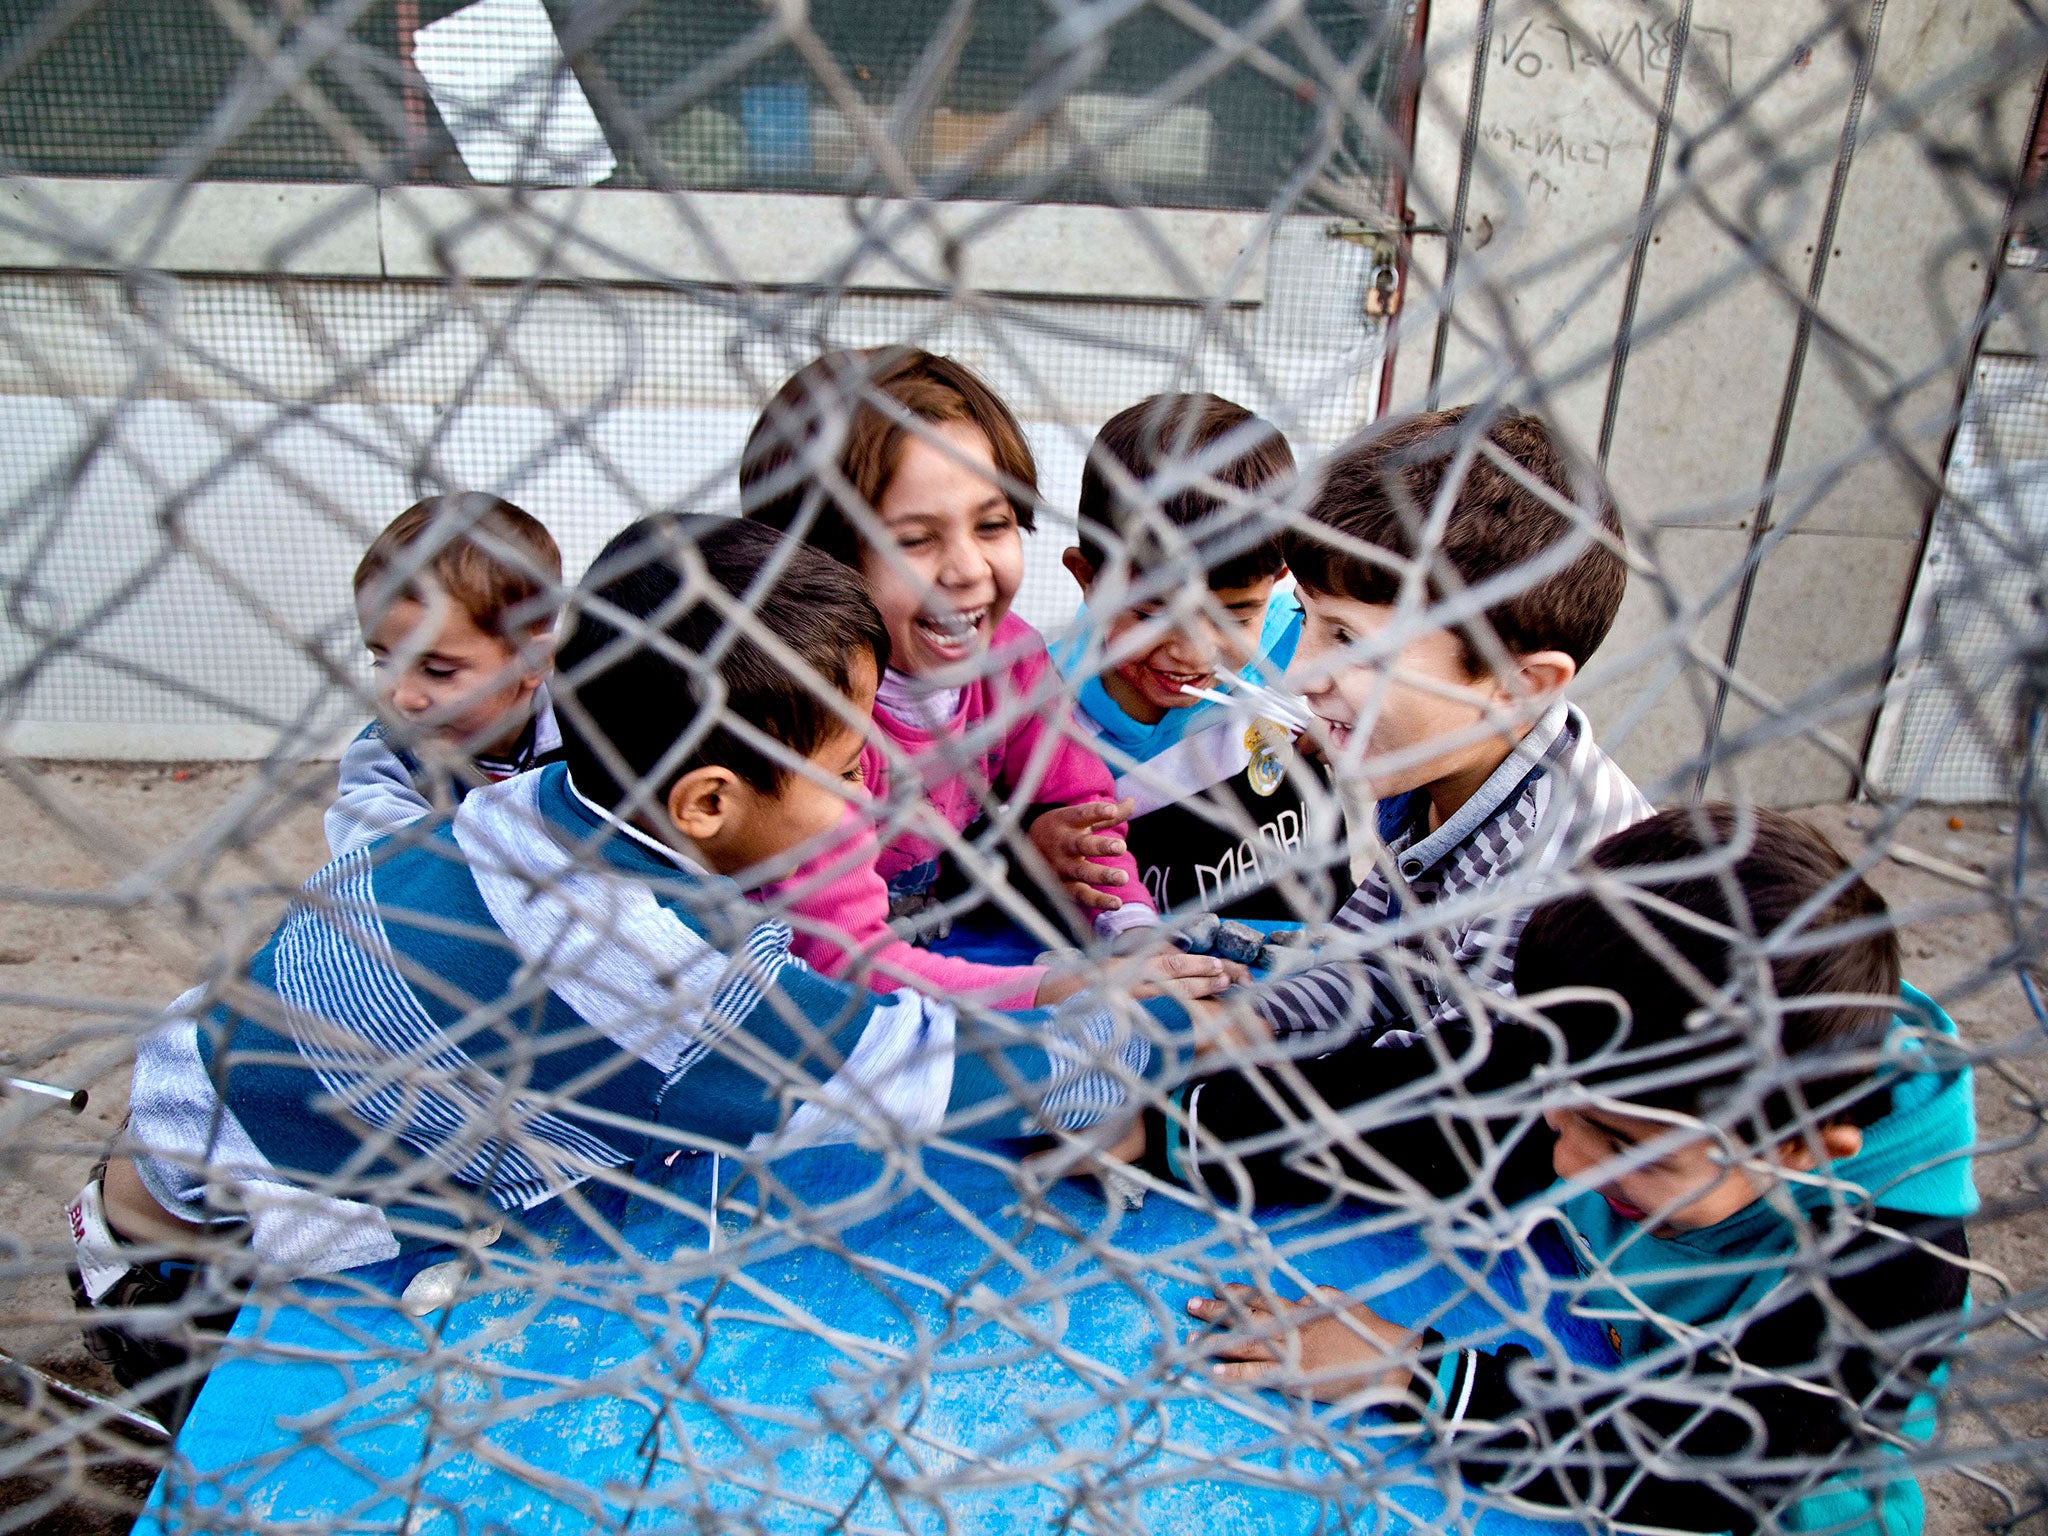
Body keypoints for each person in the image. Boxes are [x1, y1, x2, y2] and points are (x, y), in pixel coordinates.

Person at [70, 517, 1197, 1425]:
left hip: (211, 1104)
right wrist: (1171, 1056)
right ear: (707, 801)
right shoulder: (652, 977)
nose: (875, 796)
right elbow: (921, 1071)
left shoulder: (536, 800)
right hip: (202, 1260)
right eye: (846, 768)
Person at [1175, 807, 1976, 1536]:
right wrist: (1179, 1128)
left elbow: (1708, 1467)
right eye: (1561, 1109)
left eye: (1624, 1145)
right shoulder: (1636, 1050)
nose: (1566, 1160)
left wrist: (1407, 1371)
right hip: (1602, 1356)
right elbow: (1430, 1105)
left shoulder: (1900, 1257)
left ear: (1796, 1148)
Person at [1245, 405, 1649, 1041]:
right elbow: (1376, 967)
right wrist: (1237, 1025)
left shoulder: (1547, 880)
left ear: (1519, 686)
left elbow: (1441, 1091)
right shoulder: (1437, 768)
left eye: (1351, 638)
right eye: (1306, 617)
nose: (1301, 674)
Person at [740, 347, 1162, 945]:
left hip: (936, 930)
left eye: (992, 525)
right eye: (914, 540)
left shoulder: (1012, 660)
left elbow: (1077, 801)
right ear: (815, 559)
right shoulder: (806, 706)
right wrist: (1051, 990)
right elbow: (834, 952)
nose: (967, 570)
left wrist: (1131, 926)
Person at [1055, 392, 1351, 921]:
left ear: (1280, 579)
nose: (1195, 654)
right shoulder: (1044, 712)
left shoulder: (1307, 644)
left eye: (1234, 618)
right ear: (1087, 579)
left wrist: (1348, 724)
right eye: (1152, 614)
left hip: (1322, 954)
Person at [325, 493, 565, 857]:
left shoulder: (587, 719)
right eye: (383, 661)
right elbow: (390, 872)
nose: (402, 697)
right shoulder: (385, 757)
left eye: (437, 670)